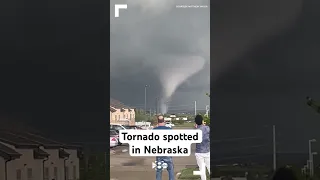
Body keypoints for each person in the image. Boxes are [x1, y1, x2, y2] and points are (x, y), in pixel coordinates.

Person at [153, 115, 175, 180]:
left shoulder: (154, 130)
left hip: (159, 152)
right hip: (167, 152)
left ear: (157, 121)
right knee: (170, 169)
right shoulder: (169, 130)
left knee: (159, 170)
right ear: (164, 121)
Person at [194, 114, 210, 180]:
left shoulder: (196, 131)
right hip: (207, 151)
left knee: (202, 170)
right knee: (209, 167)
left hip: (199, 152)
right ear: (202, 121)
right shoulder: (207, 128)